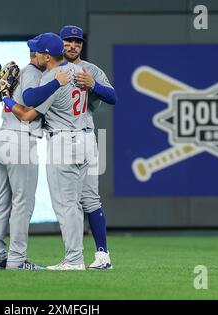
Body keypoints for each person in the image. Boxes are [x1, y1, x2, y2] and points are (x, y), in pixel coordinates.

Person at [1, 32, 90, 270]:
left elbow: (29, 111)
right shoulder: (77, 70)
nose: (35, 55)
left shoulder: (54, 77)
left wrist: (6, 98)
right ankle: (76, 258)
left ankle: (74, 260)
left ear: (48, 56)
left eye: (38, 52)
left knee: (65, 205)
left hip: (64, 143)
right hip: (84, 138)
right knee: (75, 205)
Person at [0, 41, 71, 270]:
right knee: (23, 203)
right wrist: (55, 83)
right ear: (43, 56)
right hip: (20, 140)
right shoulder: (34, 75)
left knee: (3, 200)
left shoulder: (22, 72)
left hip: (2, 137)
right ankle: (16, 259)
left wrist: (5, 96)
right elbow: (29, 109)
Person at [60, 25, 118, 270]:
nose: (73, 45)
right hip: (61, 138)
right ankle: (72, 258)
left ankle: (102, 256)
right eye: (68, 41)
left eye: (77, 42)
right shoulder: (52, 69)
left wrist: (93, 84)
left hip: (85, 137)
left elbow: (113, 97)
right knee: (67, 201)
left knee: (90, 199)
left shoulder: (91, 70)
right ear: (60, 43)